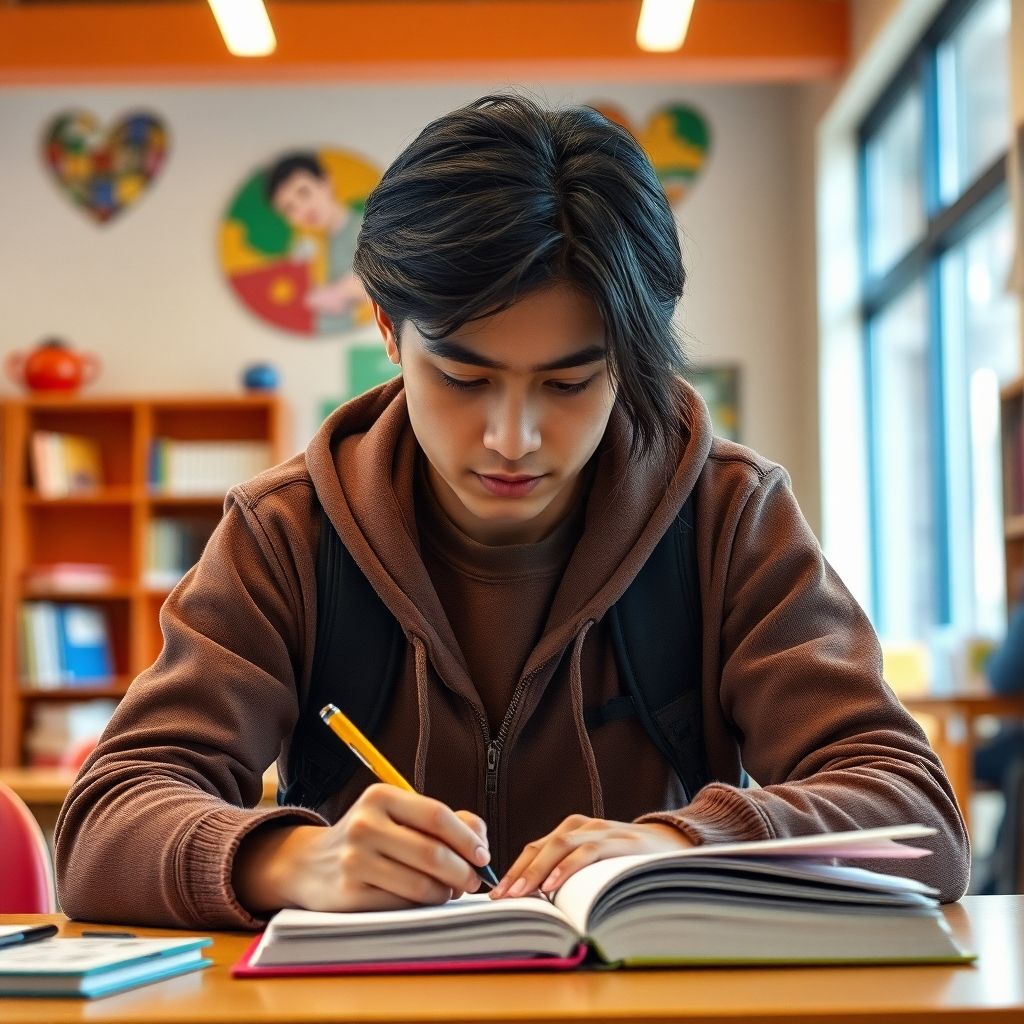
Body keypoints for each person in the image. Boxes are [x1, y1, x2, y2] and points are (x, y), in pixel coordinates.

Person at [54, 94, 969, 929]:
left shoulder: (728, 515)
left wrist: (689, 846)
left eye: (571, 381)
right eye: (464, 377)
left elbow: (916, 816)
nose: (513, 438)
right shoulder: (287, 531)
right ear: (386, 330)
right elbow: (103, 824)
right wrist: (295, 858)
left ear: (631, 357)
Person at [264, 152, 367, 332]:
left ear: (326, 183)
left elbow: (385, 280)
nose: (302, 209)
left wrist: (339, 292)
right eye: (289, 208)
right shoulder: (312, 247)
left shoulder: (367, 232)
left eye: (304, 192)